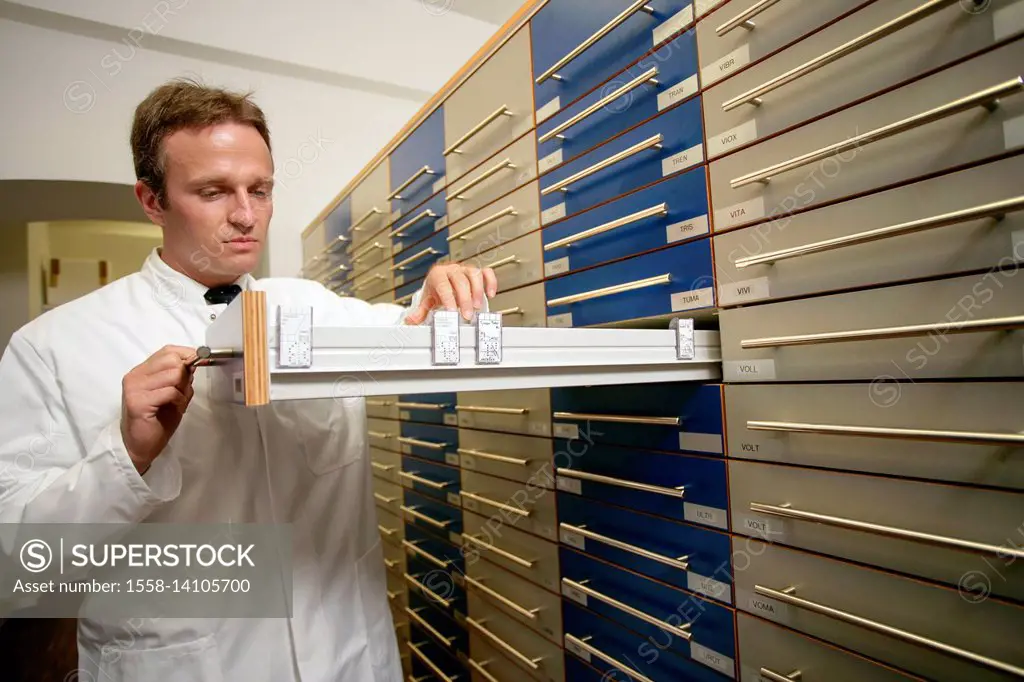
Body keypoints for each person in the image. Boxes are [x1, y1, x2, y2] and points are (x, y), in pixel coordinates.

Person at [0, 78, 496, 681]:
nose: (245, 215)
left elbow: (417, 329)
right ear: (152, 200)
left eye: (259, 190)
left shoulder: (316, 309)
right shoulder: (54, 346)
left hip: (348, 659)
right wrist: (124, 456)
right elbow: (21, 571)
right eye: (213, 191)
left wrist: (445, 291)